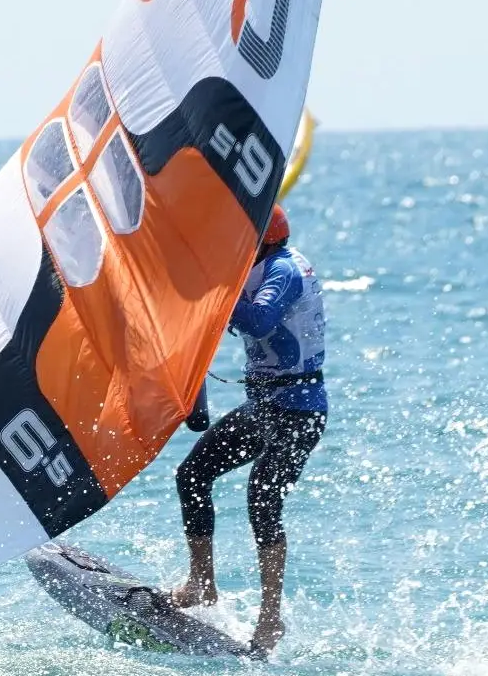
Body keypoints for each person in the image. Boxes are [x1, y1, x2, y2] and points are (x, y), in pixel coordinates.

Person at [169, 204, 327, 657]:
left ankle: (271, 618)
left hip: (297, 410)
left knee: (263, 498)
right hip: (265, 406)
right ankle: (201, 584)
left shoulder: (283, 271)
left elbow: (257, 320)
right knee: (192, 474)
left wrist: (219, 285)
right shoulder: (264, 265)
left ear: (258, 241)